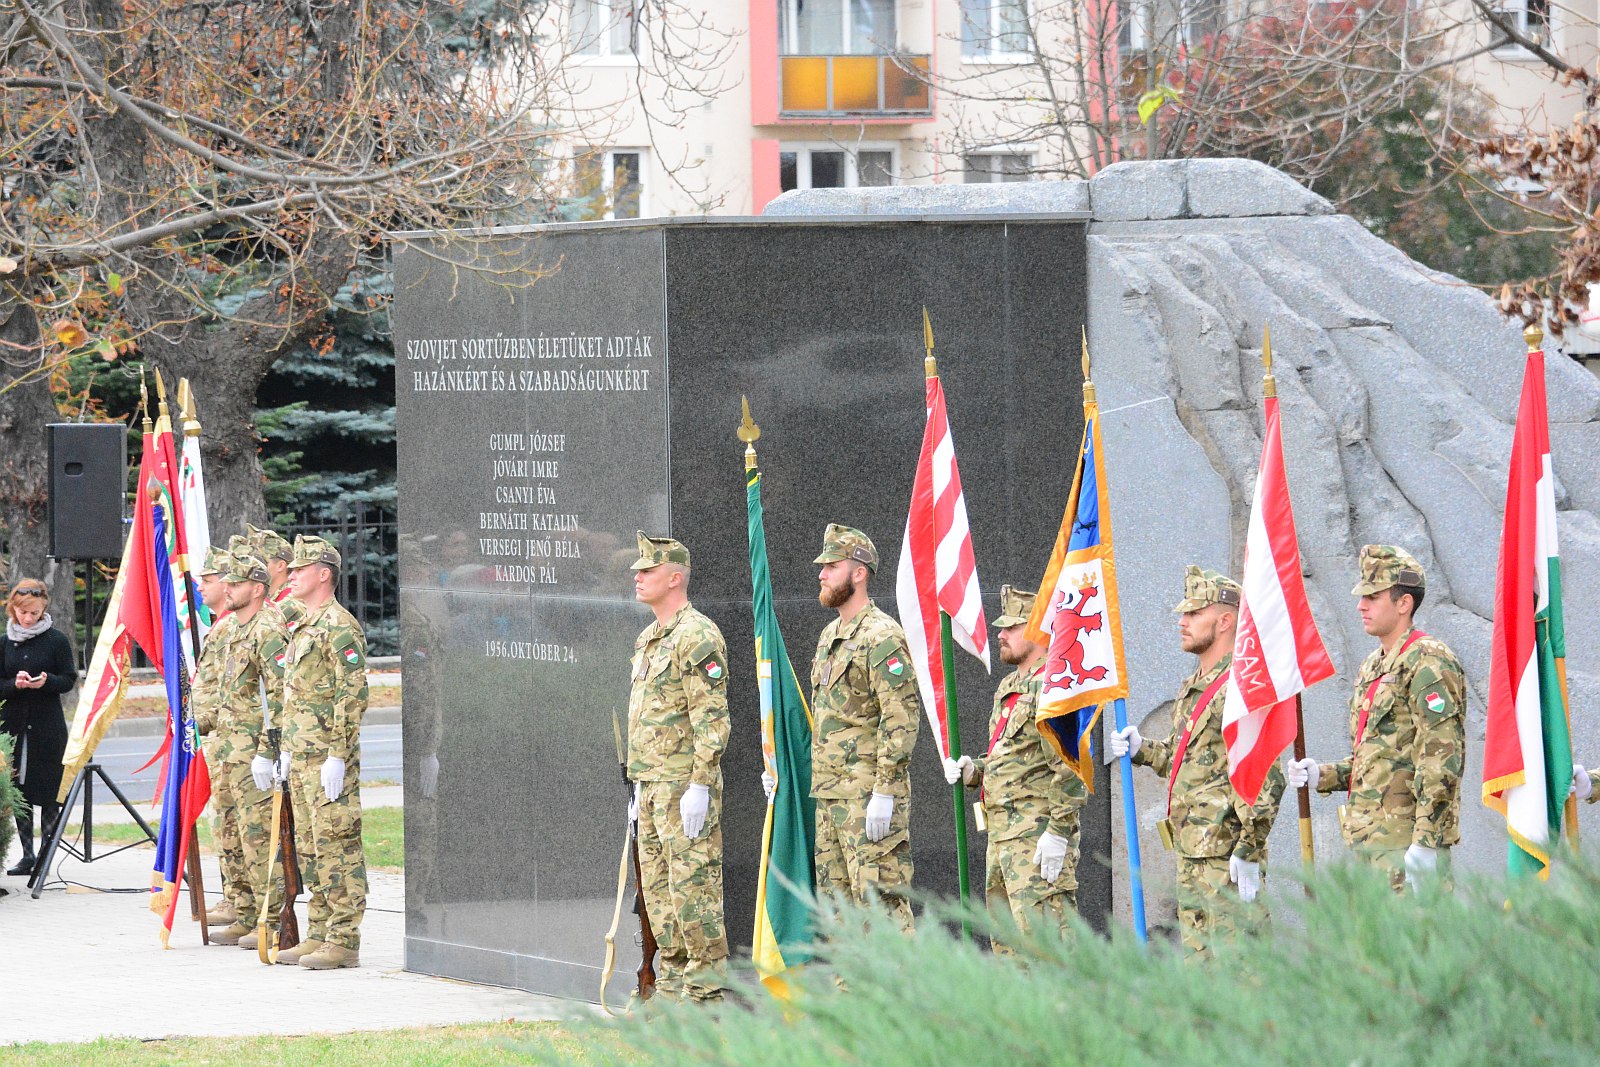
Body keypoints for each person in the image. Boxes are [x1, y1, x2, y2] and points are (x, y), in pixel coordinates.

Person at [1110, 566, 1285, 957]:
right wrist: (1141, 748)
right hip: (1193, 853)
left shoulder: (1243, 686)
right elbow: (1183, 758)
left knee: (1241, 969)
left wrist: (1250, 850)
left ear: (1224, 621)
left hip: (1227, 857)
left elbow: (1265, 775)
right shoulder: (1195, 685)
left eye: (1193, 614)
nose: (1183, 622)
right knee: (1200, 967)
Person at [1286, 546, 1466, 893]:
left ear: (1404, 604)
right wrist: (1319, 775)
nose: (1360, 605)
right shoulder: (1374, 665)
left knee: (1416, 945)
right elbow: (1374, 759)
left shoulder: (1428, 661)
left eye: (1373, 596)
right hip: (1370, 845)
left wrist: (1426, 843)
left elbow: (1441, 758)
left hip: (1406, 846)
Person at [944, 584, 1085, 950]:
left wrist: (1058, 831)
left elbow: (1070, 766)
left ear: (1040, 630)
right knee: (1008, 950)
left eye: (1011, 627)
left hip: (1037, 839)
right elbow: (1010, 756)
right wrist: (973, 770)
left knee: (1047, 951)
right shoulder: (1012, 686)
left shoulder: (1054, 686)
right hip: (1002, 839)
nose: (1000, 635)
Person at [626, 532, 731, 1003]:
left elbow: (712, 717)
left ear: (674, 578)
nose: (637, 577)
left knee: (694, 895)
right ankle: (668, 994)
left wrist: (701, 784)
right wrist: (637, 785)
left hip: (683, 787)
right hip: (651, 785)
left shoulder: (697, 635)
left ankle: (706, 998)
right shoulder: (649, 638)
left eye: (646, 570)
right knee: (660, 897)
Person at [808, 523, 921, 931]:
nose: (821, 573)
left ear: (859, 572)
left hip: (866, 796)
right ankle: (848, 995)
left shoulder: (881, 636)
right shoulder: (829, 637)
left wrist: (885, 791)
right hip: (831, 796)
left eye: (832, 566)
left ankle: (896, 996)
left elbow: (901, 717)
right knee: (839, 915)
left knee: (881, 909)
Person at [275, 535, 369, 969]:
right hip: (302, 753)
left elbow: (350, 695)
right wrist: (287, 748)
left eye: (299, 569)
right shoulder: (305, 625)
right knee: (311, 848)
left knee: (337, 845)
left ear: (323, 574)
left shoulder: (339, 626)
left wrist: (338, 753)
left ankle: (344, 938)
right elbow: (294, 694)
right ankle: (320, 931)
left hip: (329, 757)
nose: (291, 576)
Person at [204, 550, 291, 949]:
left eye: (236, 584)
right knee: (234, 835)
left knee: (259, 839)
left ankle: (271, 920)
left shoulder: (267, 629)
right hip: (229, 749)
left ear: (257, 589)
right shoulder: (237, 628)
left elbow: (279, 695)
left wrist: (268, 750)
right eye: (228, 583)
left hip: (253, 752)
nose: (227, 588)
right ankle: (246, 911)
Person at [1, 580, 77, 878]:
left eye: (33, 612)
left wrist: (47, 682)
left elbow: (69, 678)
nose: (28, 618)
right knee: (18, 792)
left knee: (47, 790)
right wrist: (14, 685)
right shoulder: (4, 642)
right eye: (22, 613)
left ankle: (47, 852)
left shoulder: (56, 640)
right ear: (13, 609)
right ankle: (26, 855)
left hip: (47, 727)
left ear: (44, 607)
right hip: (14, 726)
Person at [191, 545, 240, 926]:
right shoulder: (221, 625)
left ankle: (247, 904)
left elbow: (233, 690)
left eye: (208, 580)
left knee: (238, 828)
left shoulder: (233, 627)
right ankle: (237, 899)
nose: (200, 587)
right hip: (219, 739)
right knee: (224, 824)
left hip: (234, 740)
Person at [246, 524, 295, 604]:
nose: (253, 567)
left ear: (280, 566)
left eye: (260, 562)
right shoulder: (268, 597)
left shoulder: (290, 599)